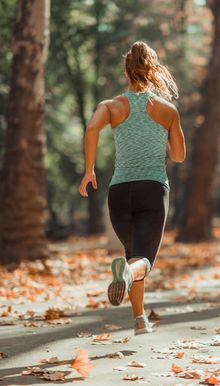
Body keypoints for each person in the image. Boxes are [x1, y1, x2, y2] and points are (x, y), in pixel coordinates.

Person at [78, 41, 186, 335]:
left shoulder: (110, 107)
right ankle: (126, 278)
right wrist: (163, 131)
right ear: (152, 71)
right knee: (143, 261)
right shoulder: (166, 110)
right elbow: (178, 156)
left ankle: (139, 320)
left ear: (126, 72)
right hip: (152, 189)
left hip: (119, 192)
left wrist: (88, 171)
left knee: (133, 255)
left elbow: (91, 129)